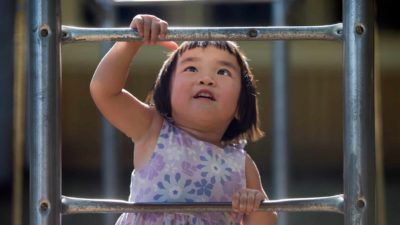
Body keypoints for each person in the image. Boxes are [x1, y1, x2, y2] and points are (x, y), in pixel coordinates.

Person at [90, 14, 277, 225]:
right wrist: (131, 42)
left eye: (223, 71)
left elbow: (265, 223)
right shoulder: (153, 128)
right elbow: (105, 92)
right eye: (191, 68)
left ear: (240, 105)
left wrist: (256, 205)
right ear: (166, 90)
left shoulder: (242, 165)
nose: (206, 79)